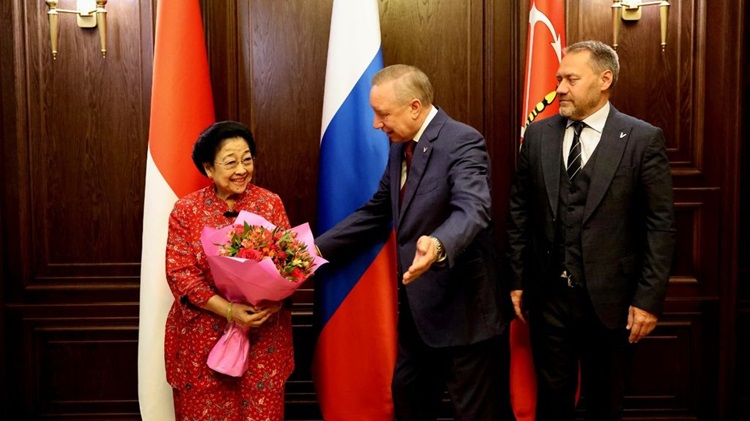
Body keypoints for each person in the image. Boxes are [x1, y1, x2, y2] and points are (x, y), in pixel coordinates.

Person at [315, 64, 512, 420]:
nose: (376, 124)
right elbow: (377, 211)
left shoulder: (462, 141)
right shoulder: (399, 147)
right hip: (417, 315)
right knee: (408, 401)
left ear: (415, 107)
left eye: (383, 114)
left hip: (465, 316)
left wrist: (437, 245)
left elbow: (473, 209)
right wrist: (315, 249)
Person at [506, 40, 676, 421]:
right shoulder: (538, 135)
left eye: (571, 79)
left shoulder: (642, 139)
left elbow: (660, 227)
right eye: (558, 79)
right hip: (548, 299)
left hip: (612, 303)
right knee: (553, 404)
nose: (560, 89)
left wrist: (648, 299)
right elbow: (520, 212)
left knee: (605, 403)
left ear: (604, 80)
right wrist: (517, 279)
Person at [163, 121, 294, 420]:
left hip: (263, 334)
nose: (242, 170)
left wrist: (275, 301)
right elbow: (180, 274)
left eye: (247, 159)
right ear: (209, 168)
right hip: (203, 337)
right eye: (231, 162)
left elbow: (290, 263)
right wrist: (230, 310)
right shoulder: (186, 210)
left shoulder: (270, 203)